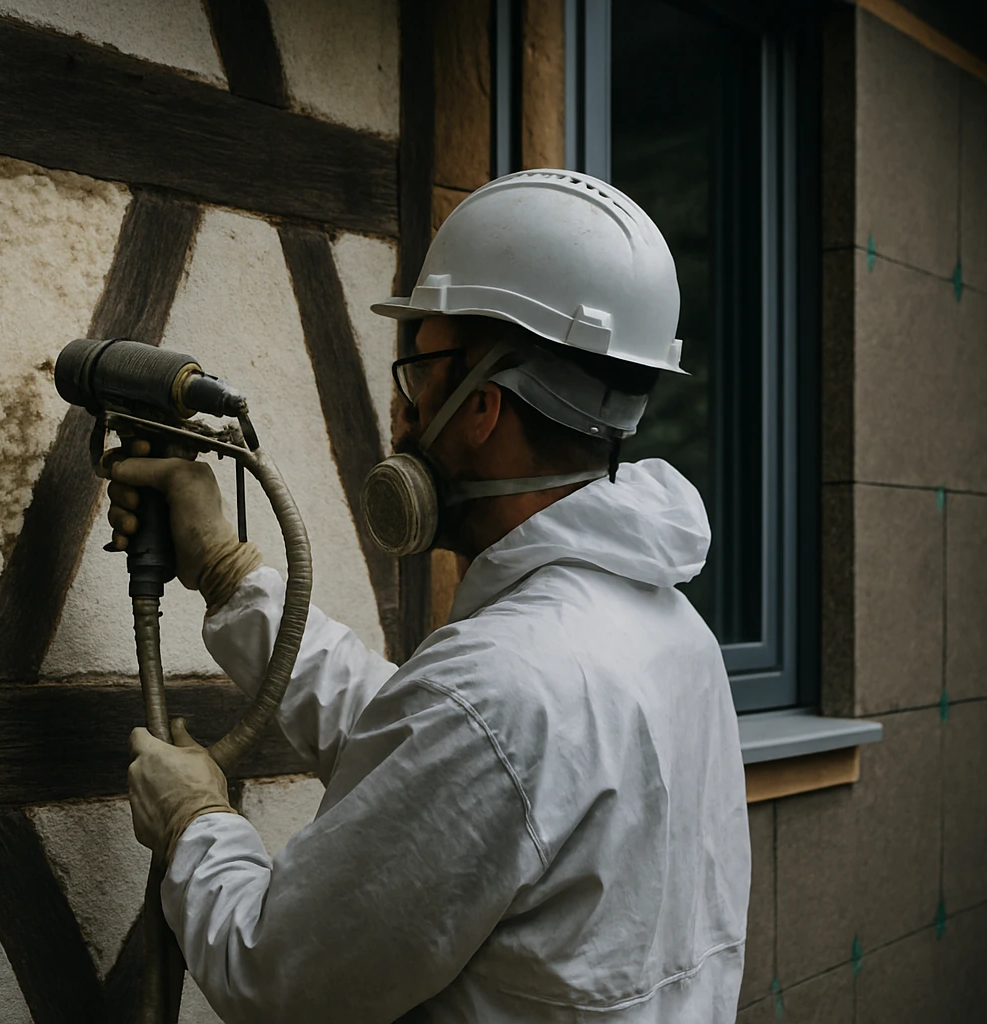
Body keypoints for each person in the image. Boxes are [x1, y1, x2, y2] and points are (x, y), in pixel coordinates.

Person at [105, 169, 749, 1022]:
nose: (403, 415)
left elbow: (273, 976)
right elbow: (431, 754)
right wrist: (228, 571)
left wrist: (193, 823)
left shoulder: (503, 688)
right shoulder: (668, 632)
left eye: (418, 375)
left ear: (481, 405)